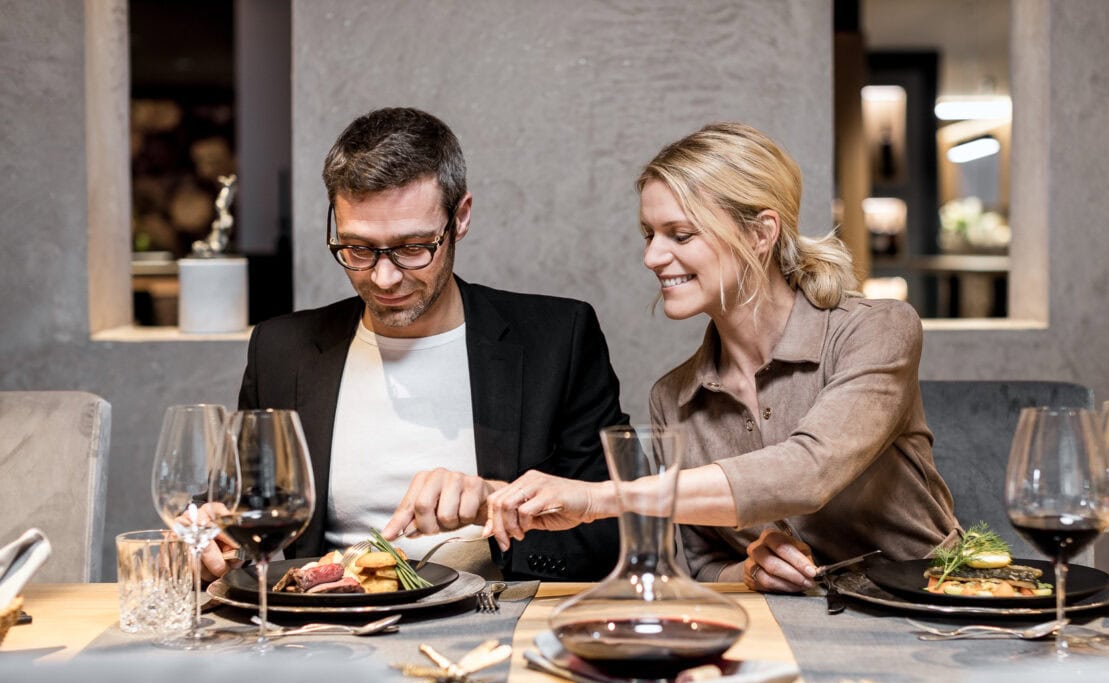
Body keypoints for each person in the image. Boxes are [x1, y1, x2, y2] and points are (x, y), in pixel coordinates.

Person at [483, 122, 959, 592]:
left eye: (680, 234)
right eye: (649, 234)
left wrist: (595, 498)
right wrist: (750, 572)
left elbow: (808, 471)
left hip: (932, 612)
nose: (652, 257)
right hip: (793, 630)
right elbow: (699, 562)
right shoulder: (674, 396)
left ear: (760, 233)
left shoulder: (877, 329)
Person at [204, 107, 627, 582]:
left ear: (460, 217)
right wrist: (211, 541)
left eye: (412, 248)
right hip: (331, 625)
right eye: (358, 249)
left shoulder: (557, 338)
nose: (384, 278)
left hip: (492, 622)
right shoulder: (282, 349)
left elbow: (614, 532)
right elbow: (241, 513)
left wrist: (493, 503)